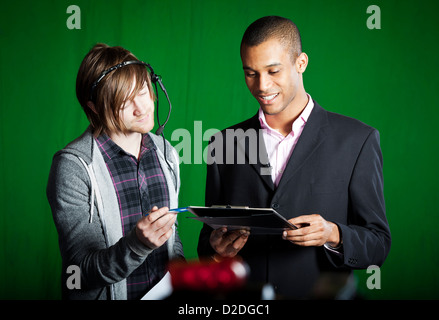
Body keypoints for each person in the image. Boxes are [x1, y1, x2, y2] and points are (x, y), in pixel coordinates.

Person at [197, 16, 391, 299]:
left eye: (273, 71)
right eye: (250, 73)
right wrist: (216, 252)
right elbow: (207, 245)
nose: (262, 86)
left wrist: (333, 234)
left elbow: (378, 245)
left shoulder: (358, 140)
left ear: (301, 63)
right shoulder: (223, 143)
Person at [47, 43, 184, 300]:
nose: (141, 108)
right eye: (124, 101)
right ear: (95, 107)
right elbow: (79, 271)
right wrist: (138, 245)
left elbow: (172, 239)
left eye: (143, 91)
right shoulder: (74, 167)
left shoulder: (167, 153)